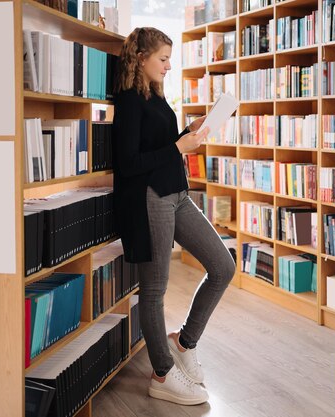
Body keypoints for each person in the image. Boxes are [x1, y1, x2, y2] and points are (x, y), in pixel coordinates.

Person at [111, 26, 236, 406]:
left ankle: (183, 342)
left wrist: (188, 132)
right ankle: (162, 374)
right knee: (154, 291)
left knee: (223, 266)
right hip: (151, 199)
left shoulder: (155, 95)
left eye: (169, 59)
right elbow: (128, 163)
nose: (168, 66)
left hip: (177, 194)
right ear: (141, 59)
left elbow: (161, 147)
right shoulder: (131, 100)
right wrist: (178, 146)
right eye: (163, 59)